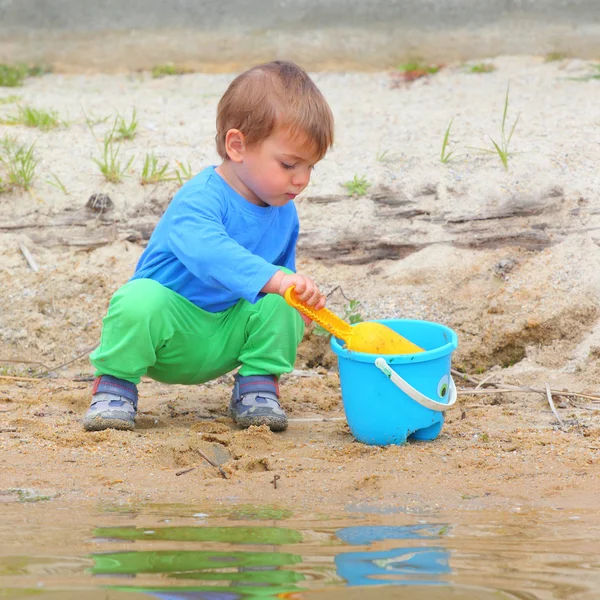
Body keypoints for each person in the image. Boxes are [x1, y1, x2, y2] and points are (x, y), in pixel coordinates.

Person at [83, 60, 334, 434]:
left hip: (228, 331)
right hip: (169, 331)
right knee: (137, 300)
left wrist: (298, 301)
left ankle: (258, 386)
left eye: (311, 167)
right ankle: (115, 386)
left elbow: (278, 278)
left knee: (284, 297)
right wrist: (276, 280)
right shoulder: (201, 198)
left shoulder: (284, 213)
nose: (302, 179)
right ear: (237, 146)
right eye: (289, 164)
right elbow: (208, 252)